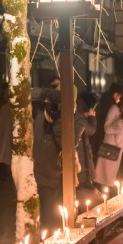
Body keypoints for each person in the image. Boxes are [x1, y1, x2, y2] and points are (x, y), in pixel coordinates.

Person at [33, 88, 86, 230]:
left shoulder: (78, 119)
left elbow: (68, 144)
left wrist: (59, 120)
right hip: (43, 175)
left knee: (61, 218)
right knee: (47, 219)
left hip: (63, 177)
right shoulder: (43, 114)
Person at [90, 83, 123, 160]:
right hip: (102, 132)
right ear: (115, 94)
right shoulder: (111, 104)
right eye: (119, 95)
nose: (119, 97)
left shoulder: (103, 99)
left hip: (96, 130)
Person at [0, 86, 12, 180]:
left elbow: (0, 122)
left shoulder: (4, 108)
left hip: (4, 133)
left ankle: (2, 172)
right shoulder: (9, 108)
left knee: (4, 153)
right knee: (6, 153)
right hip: (8, 134)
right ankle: (2, 172)